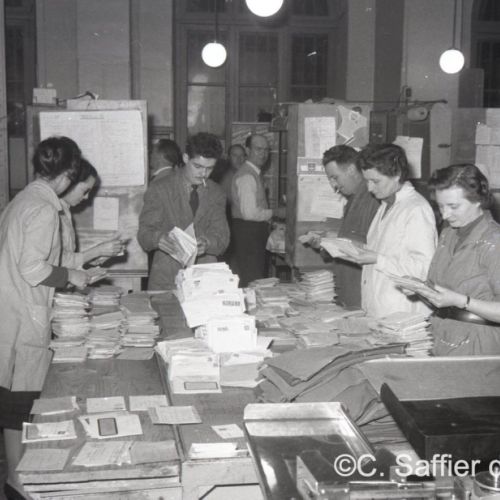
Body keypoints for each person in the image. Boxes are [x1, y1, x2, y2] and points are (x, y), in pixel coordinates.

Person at [0, 136, 92, 498]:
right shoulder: (43, 209)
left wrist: (73, 268)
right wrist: (71, 277)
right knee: (19, 406)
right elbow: (33, 267)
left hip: (11, 311)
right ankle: (20, 484)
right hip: (23, 315)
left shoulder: (24, 199)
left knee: (14, 403)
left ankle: (18, 480)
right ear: (68, 174)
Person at [336, 143, 437, 318]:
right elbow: (387, 250)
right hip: (378, 307)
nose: (370, 188)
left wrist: (377, 259)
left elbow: (424, 269)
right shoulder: (385, 204)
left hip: (401, 312)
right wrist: (358, 249)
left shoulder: (416, 209)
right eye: (367, 181)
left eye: (375, 181)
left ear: (397, 175)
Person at [410, 164, 500, 356]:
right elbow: (442, 290)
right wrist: (420, 289)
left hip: (478, 345)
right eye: (440, 206)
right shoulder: (448, 233)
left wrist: (462, 301)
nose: (445, 215)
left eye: (453, 206)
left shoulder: (495, 242)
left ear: (478, 200)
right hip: (441, 336)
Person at [138, 132, 229, 290]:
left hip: (204, 278)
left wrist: (207, 243)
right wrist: (158, 239)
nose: (203, 174)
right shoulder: (160, 188)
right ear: (186, 158)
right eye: (198, 166)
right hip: (166, 277)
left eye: (209, 168)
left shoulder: (217, 193)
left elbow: (223, 238)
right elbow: (144, 234)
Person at [316, 145, 379, 308]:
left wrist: (333, 242)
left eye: (335, 177)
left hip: (360, 292)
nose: (333, 185)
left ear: (351, 169)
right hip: (346, 289)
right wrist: (326, 244)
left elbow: (372, 249)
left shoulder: (373, 199)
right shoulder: (353, 199)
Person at [230, 134, 285, 287]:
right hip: (248, 235)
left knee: (254, 279)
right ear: (248, 150)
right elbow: (250, 214)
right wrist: (276, 212)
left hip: (251, 234)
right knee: (252, 281)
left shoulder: (254, 173)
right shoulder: (247, 176)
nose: (263, 154)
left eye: (266, 150)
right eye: (258, 149)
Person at [60, 158, 124, 269]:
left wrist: (92, 258)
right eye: (85, 191)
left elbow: (66, 259)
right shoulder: (51, 211)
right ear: (69, 184)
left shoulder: (65, 210)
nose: (86, 197)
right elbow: (55, 262)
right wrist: (97, 251)